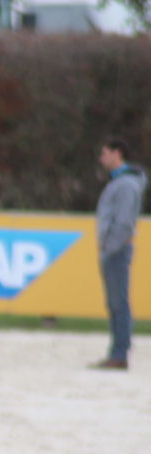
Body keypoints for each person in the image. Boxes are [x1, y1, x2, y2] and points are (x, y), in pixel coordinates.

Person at [91, 139, 146, 370]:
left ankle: (120, 353)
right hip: (114, 249)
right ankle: (117, 351)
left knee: (118, 303)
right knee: (114, 303)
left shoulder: (125, 185)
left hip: (117, 250)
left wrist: (110, 247)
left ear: (118, 153)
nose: (102, 159)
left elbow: (124, 222)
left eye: (105, 154)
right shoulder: (120, 182)